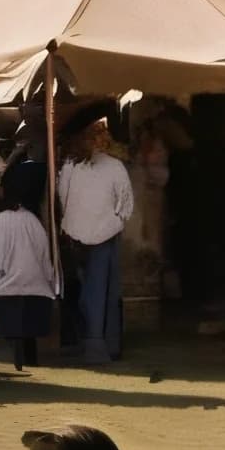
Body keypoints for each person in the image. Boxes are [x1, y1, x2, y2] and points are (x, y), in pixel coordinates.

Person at [58, 122, 133, 364]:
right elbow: (125, 202)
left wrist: (70, 222)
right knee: (106, 291)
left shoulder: (71, 165)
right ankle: (106, 344)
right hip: (105, 234)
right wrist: (115, 221)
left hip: (76, 233)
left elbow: (63, 197)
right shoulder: (115, 166)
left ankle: (89, 340)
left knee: (84, 289)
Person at [0, 160, 56, 369]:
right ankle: (29, 354)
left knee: (7, 313)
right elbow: (44, 258)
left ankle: (18, 351)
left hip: (8, 289)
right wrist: (50, 282)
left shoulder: (1, 219)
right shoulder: (33, 221)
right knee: (27, 323)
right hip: (36, 289)